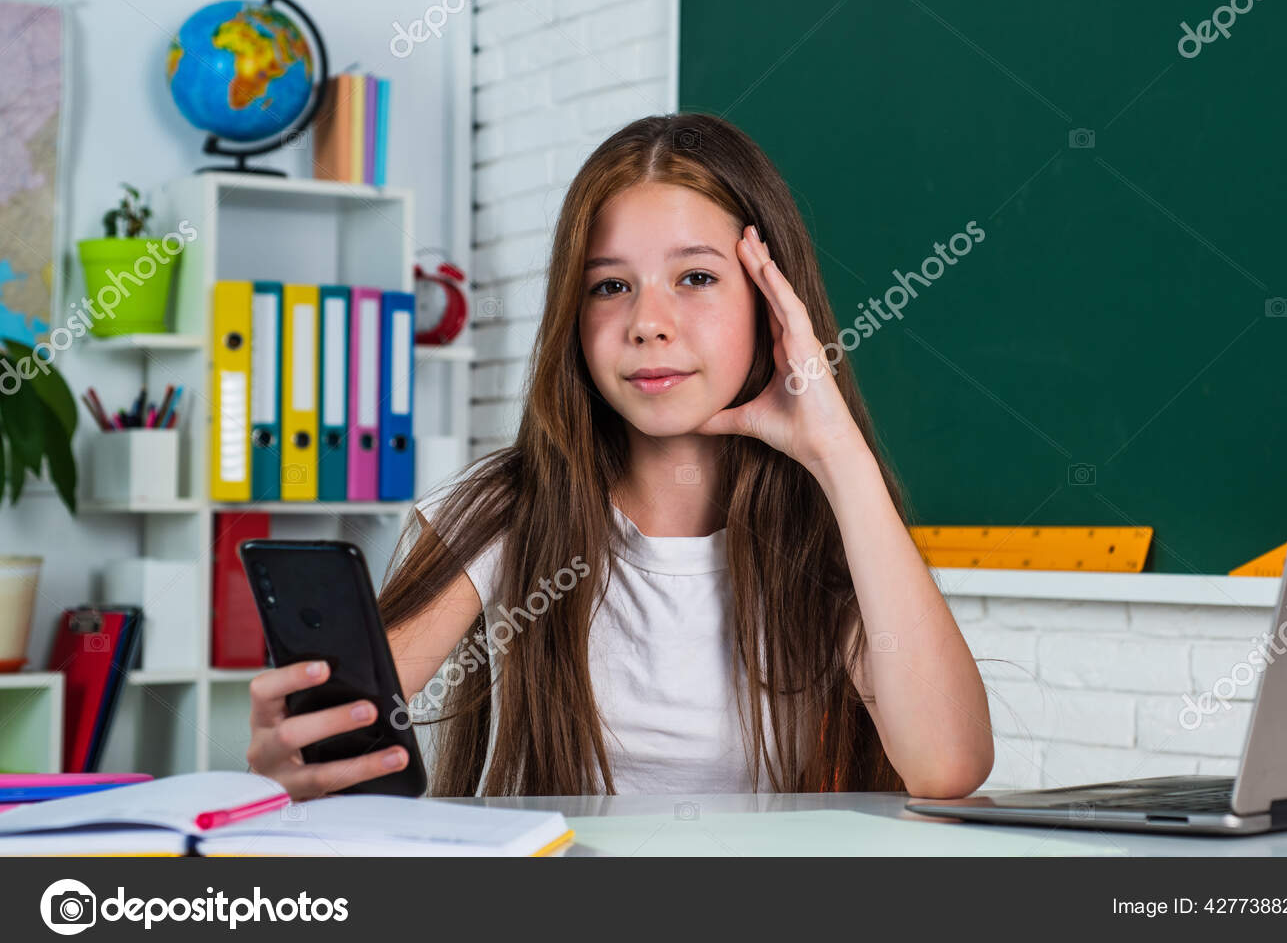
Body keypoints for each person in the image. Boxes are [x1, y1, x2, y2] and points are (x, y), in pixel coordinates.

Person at [246, 112, 993, 799]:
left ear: (774, 305)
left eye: (695, 277)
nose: (647, 323)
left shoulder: (827, 522)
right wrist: (303, 763)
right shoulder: (503, 510)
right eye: (610, 286)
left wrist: (835, 450)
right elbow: (340, 741)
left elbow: (948, 766)